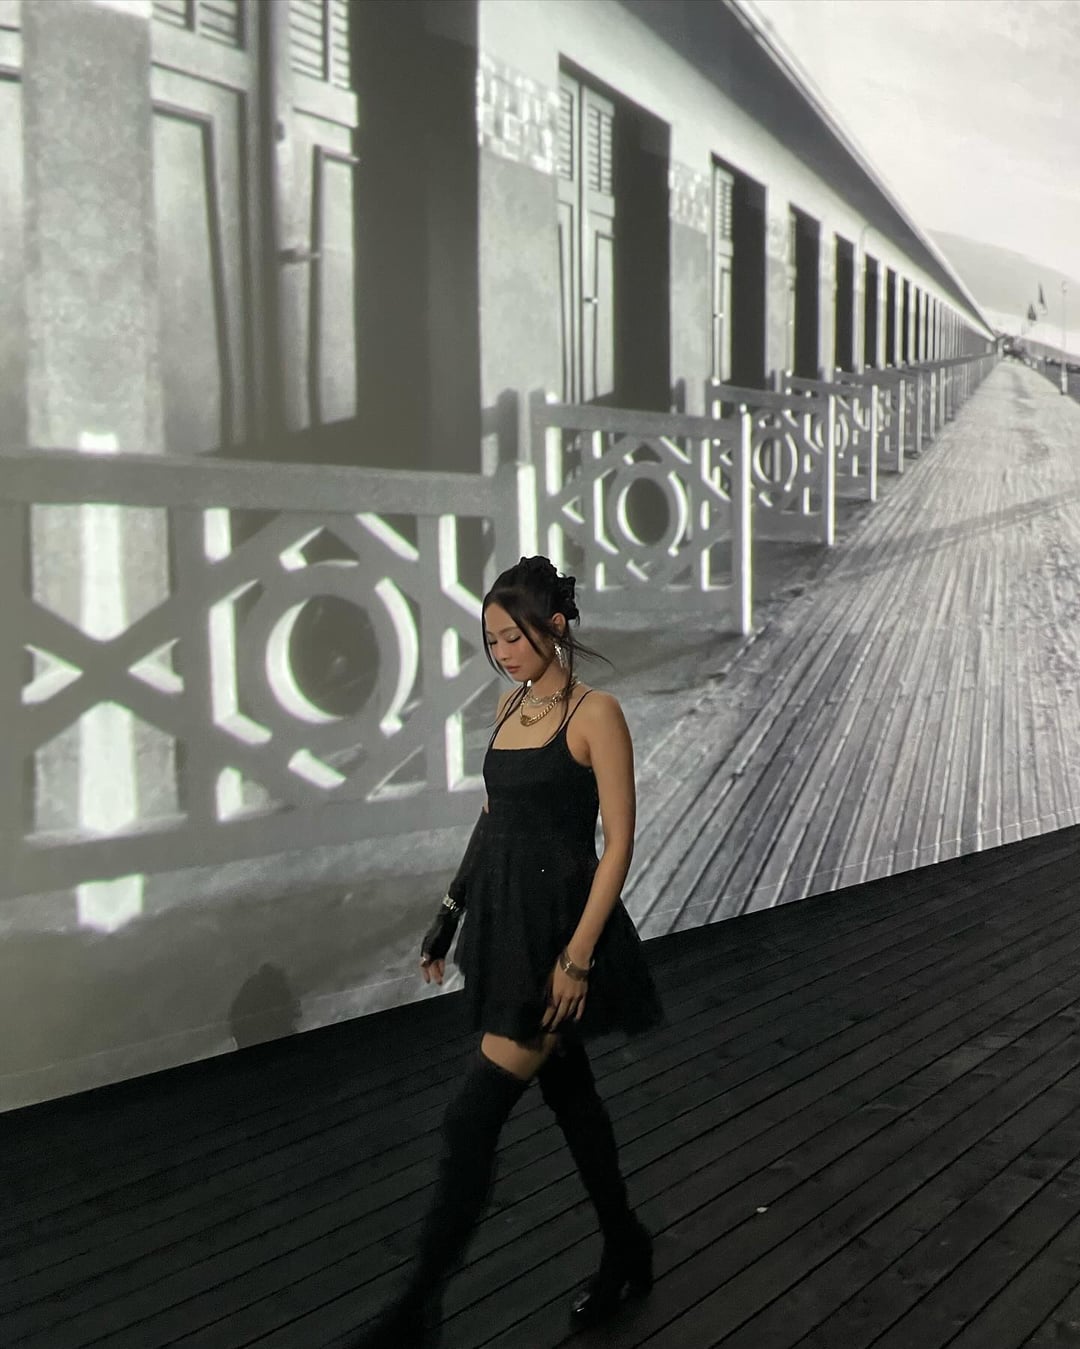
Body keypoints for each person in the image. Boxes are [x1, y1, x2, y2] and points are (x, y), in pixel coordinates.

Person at [355, 554, 664, 1348]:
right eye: (491, 640)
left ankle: (417, 1306)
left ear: (553, 626)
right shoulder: (509, 705)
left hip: (559, 934)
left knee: (470, 1118)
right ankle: (627, 1242)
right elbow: (492, 820)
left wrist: (578, 957)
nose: (502, 651)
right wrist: (448, 911)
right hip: (506, 923)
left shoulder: (597, 714)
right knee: (571, 1097)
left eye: (513, 636)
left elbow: (620, 845)